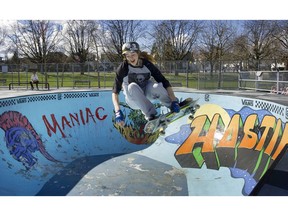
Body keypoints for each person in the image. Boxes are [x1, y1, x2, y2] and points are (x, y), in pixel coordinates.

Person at [112, 41, 180, 127]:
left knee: (157, 86)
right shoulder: (123, 68)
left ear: (138, 54)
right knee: (132, 86)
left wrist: (173, 99)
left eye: (133, 54)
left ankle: (172, 105)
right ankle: (151, 116)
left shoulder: (147, 64)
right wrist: (117, 111)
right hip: (133, 100)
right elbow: (115, 92)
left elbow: (164, 82)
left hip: (146, 94)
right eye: (127, 55)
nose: (131, 58)